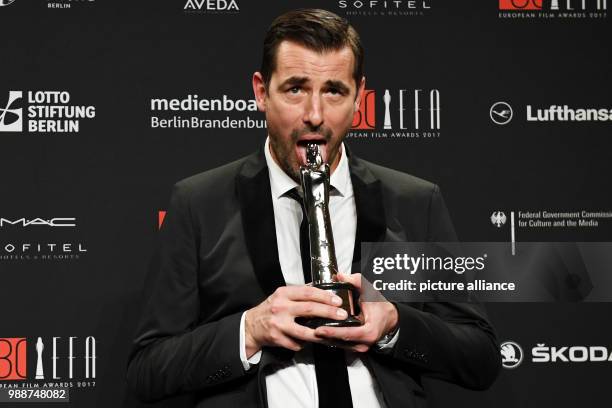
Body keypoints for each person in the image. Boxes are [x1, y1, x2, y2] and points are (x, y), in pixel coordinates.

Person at [127, 8, 500, 408]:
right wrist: (250, 330)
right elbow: (147, 370)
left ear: (359, 96)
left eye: (334, 91)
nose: (315, 116)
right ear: (260, 92)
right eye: (295, 89)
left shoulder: (414, 202)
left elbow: (479, 357)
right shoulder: (200, 202)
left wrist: (394, 324)